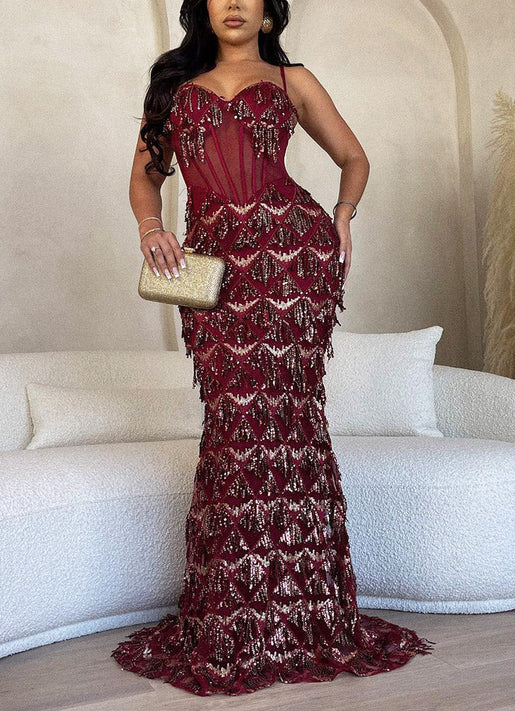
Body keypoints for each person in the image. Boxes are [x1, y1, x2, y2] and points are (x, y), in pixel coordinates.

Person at [110, 0, 435, 696]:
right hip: (215, 269)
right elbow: (145, 176)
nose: (233, 3)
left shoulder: (293, 80)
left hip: (294, 261)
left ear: (266, 13)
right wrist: (149, 227)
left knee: (290, 423)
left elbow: (353, 157)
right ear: (201, 11)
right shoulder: (172, 88)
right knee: (234, 426)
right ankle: (233, 616)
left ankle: (304, 616)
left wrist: (342, 215)